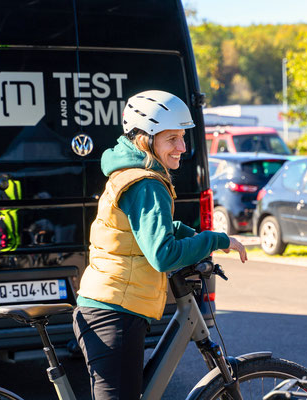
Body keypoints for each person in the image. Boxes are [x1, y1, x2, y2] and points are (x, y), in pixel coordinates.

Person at [74, 90, 247, 400]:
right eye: (172, 139)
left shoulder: (129, 173)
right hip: (115, 313)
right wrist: (212, 240)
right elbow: (163, 255)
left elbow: (150, 230)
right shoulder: (147, 183)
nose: (182, 147)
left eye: (182, 137)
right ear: (146, 140)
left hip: (108, 306)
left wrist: (209, 239)